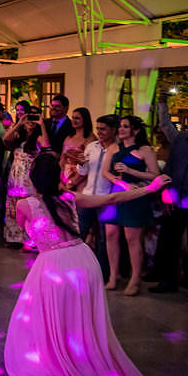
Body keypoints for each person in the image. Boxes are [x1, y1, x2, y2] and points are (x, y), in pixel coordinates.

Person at [3, 152, 167, 376]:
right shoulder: (70, 198)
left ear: (32, 177)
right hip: (83, 261)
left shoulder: (26, 204)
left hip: (54, 265)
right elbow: (112, 197)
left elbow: (22, 227)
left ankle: (59, 365)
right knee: (81, 318)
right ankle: (82, 360)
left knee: (46, 316)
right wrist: (151, 188)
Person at [150, 100, 188, 295]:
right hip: (173, 200)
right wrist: (166, 194)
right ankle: (167, 282)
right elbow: (169, 168)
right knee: (168, 243)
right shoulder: (181, 140)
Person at [101, 115, 160, 296]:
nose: (121, 129)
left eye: (126, 127)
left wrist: (130, 171)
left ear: (136, 130)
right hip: (116, 192)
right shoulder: (113, 147)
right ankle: (113, 275)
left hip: (136, 195)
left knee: (132, 238)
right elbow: (105, 172)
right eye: (120, 126)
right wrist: (120, 182)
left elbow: (155, 175)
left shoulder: (144, 150)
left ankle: (135, 279)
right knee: (110, 234)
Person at [74, 115, 120, 279]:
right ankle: (75, 266)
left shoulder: (117, 149)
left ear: (114, 130)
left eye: (103, 129)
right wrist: (81, 163)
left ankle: (102, 272)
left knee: (105, 238)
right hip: (88, 196)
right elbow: (84, 173)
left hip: (106, 199)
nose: (99, 132)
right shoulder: (92, 147)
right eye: (98, 128)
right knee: (79, 233)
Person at [3, 106, 51, 248]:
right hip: (15, 173)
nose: (31, 120)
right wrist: (19, 123)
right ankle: (14, 238)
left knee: (29, 206)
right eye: (29, 117)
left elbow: (46, 145)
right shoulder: (20, 134)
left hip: (29, 175)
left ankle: (30, 239)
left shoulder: (39, 136)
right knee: (13, 205)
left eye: (34, 117)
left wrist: (41, 124)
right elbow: (6, 139)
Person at [60, 107, 94, 189]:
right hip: (64, 176)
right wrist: (61, 175)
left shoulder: (90, 139)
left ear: (85, 120)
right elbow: (62, 158)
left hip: (80, 179)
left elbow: (88, 164)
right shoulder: (69, 137)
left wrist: (73, 181)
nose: (74, 120)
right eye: (73, 118)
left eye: (77, 118)